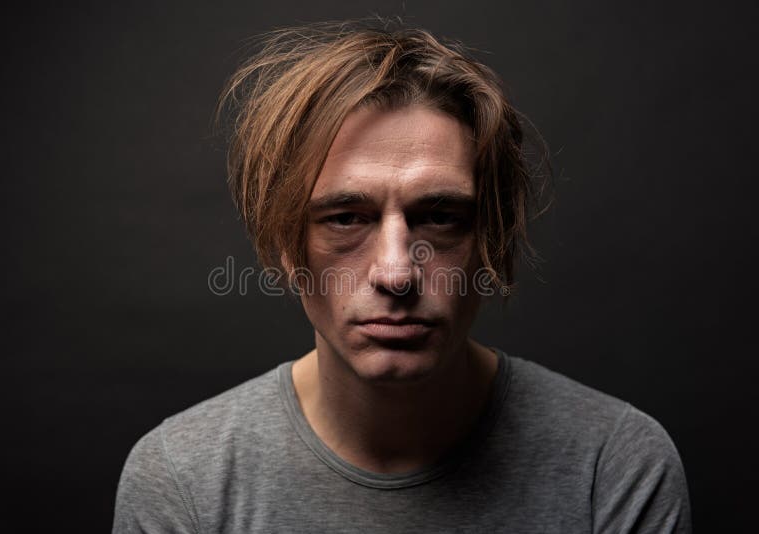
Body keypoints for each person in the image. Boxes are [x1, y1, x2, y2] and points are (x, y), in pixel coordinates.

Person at [113, 20, 691, 533]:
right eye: (345, 218)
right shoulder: (183, 480)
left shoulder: (613, 464)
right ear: (286, 247)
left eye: (441, 217)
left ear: (489, 241)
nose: (395, 271)